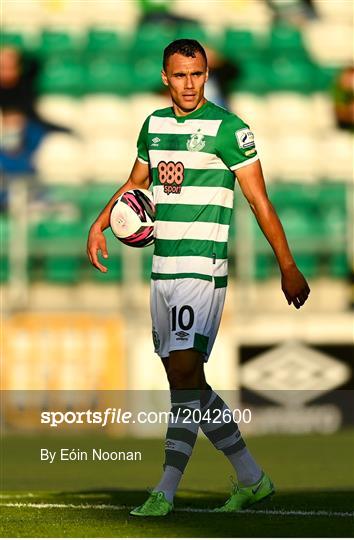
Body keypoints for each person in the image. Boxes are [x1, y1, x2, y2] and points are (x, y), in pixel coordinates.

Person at [87, 39, 310, 516]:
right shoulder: (154, 125)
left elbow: (259, 202)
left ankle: (164, 489)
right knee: (185, 381)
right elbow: (136, 185)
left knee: (185, 375)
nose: (190, 84)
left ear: (207, 75)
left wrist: (287, 265)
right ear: (165, 77)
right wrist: (100, 222)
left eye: (198, 74)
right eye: (180, 75)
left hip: (201, 270)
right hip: (162, 268)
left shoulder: (230, 130)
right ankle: (251, 477)